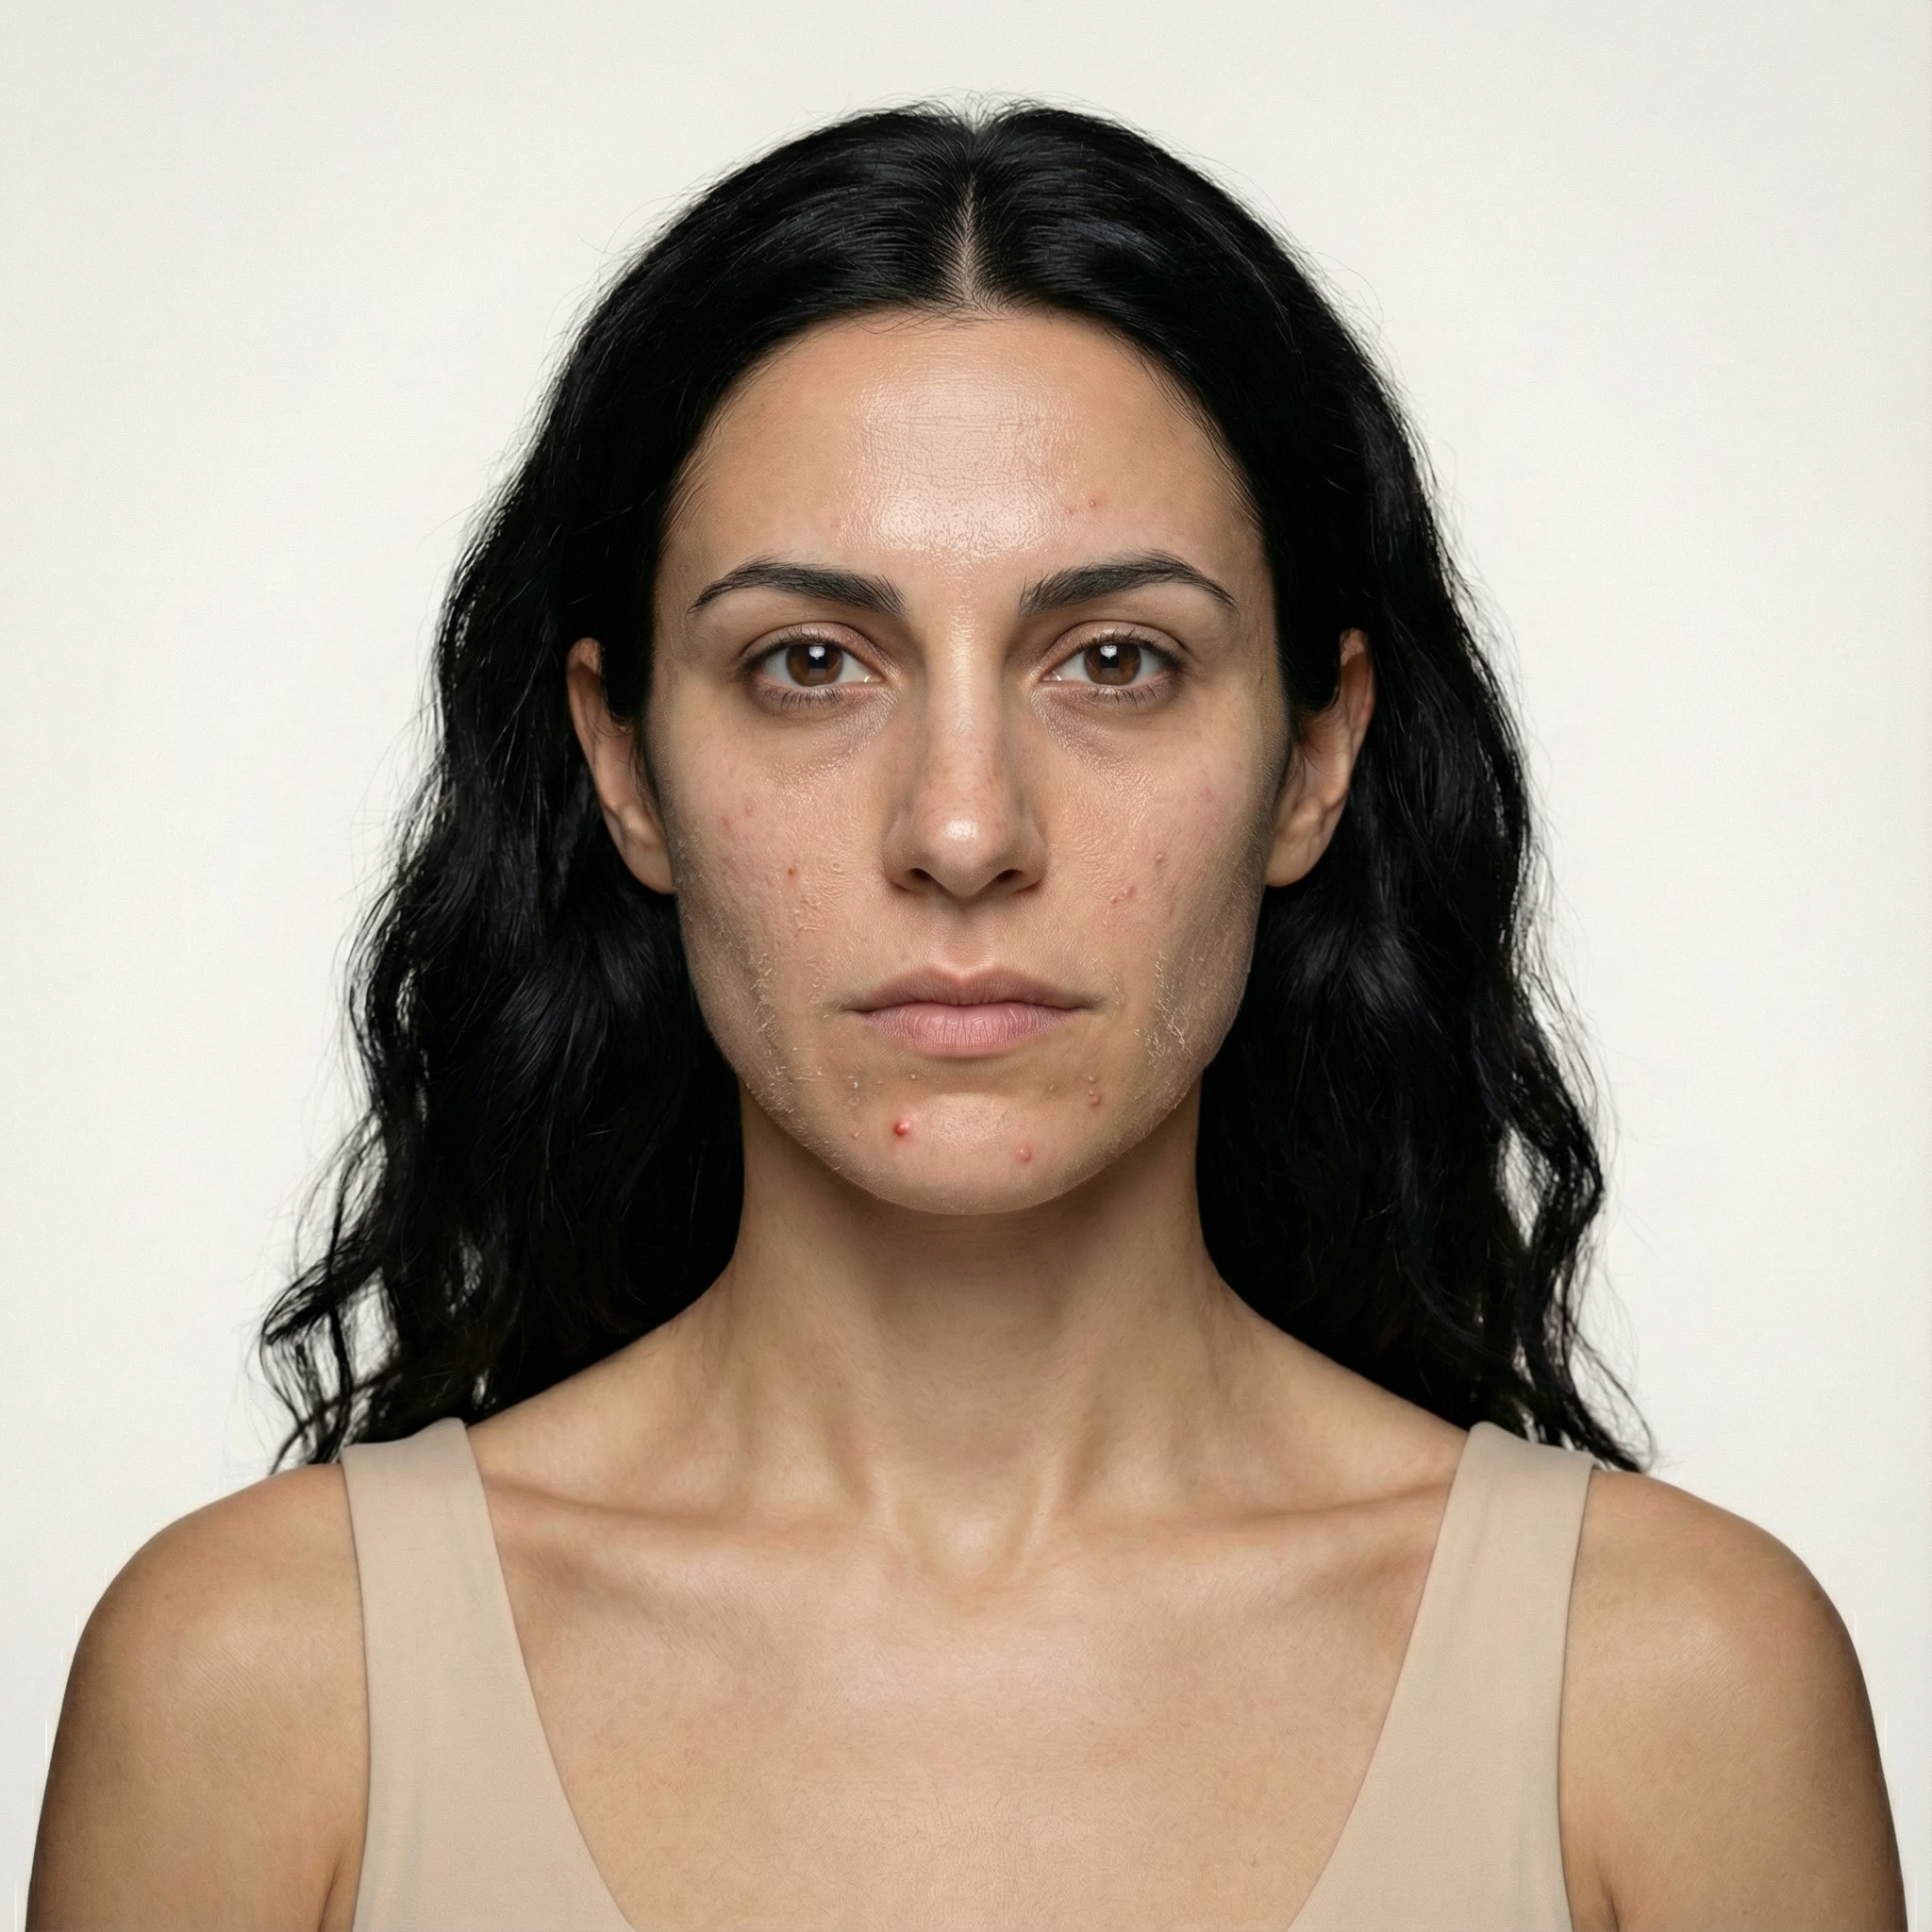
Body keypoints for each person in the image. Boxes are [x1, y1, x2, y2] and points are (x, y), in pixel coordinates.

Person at [28, 104, 1904, 1932]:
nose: (961, 831)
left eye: (1114, 660)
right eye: (809, 663)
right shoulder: (263, 1691)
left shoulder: (1669, 1696)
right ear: (623, 765)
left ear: (1316, 756)